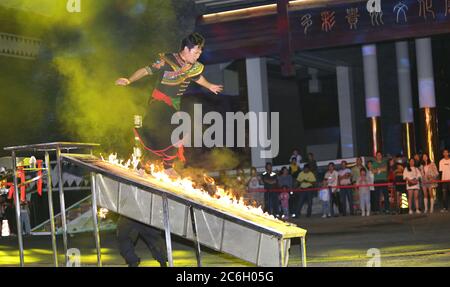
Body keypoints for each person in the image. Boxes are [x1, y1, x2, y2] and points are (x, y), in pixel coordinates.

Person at [115, 32, 223, 166]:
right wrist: (129, 80)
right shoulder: (167, 60)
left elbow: (198, 78)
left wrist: (210, 85)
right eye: (195, 52)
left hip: (174, 105)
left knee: (177, 134)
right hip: (158, 103)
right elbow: (146, 70)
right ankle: (150, 158)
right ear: (186, 49)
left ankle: (164, 165)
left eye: (199, 53)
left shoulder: (194, 67)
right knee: (180, 125)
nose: (198, 55)